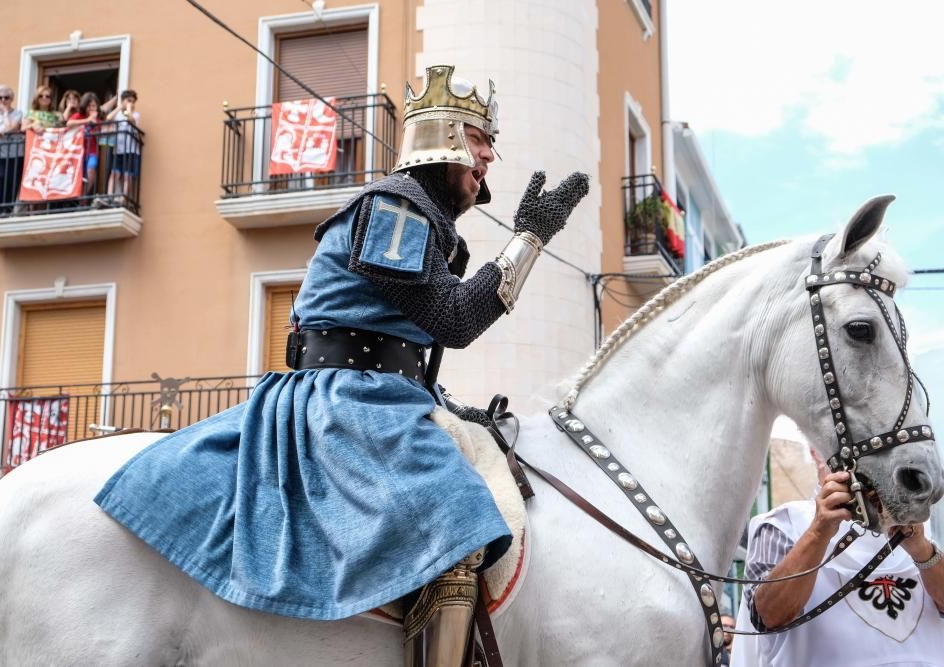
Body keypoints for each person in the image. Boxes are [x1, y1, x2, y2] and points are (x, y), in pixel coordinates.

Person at [95, 64, 589, 666]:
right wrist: (529, 238)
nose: (490, 157)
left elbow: (420, 334)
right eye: (481, 141)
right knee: (458, 525)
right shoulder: (394, 209)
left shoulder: (416, 218)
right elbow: (455, 322)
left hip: (385, 393)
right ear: (447, 139)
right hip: (350, 399)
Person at [731, 451, 944, 667]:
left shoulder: (919, 530)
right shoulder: (785, 524)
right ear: (815, 451)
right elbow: (768, 617)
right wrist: (818, 532)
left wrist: (921, 549)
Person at [0, 85, 24, 214]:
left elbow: (11, 128)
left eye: (6, 97)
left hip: (15, 151)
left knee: (13, 179)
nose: (2, 100)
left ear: (11, 99)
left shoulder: (18, 113)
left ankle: (9, 208)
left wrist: (6, 114)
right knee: (1, 177)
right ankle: (0, 209)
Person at [65, 92, 104, 204]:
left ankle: (85, 196)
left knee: (91, 168)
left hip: (92, 151)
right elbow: (69, 123)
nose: (91, 108)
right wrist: (87, 120)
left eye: (93, 105)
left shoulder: (99, 119)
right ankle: (78, 198)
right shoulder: (79, 115)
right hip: (78, 151)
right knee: (80, 175)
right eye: (89, 105)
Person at [105, 89, 140, 205]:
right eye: (129, 101)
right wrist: (120, 107)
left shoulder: (135, 114)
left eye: (133, 101)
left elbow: (131, 120)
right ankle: (110, 196)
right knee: (114, 173)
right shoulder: (118, 115)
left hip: (131, 150)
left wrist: (128, 109)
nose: (132, 103)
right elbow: (109, 118)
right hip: (118, 150)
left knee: (127, 175)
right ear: (123, 100)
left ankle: (123, 198)